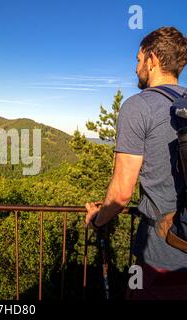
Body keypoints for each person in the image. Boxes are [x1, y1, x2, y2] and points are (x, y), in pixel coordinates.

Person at [85, 26, 187, 299]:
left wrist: (97, 220)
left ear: (152, 60)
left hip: (162, 257)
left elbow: (120, 194)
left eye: (138, 60)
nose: (136, 68)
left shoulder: (138, 106)